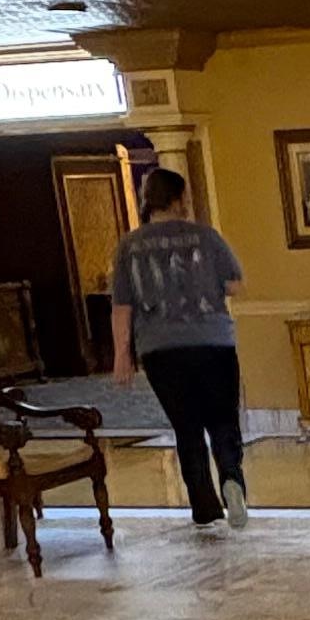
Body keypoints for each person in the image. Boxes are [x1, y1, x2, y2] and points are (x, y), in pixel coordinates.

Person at [109, 168, 250, 524]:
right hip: (213, 341)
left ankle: (204, 507)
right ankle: (232, 479)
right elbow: (234, 284)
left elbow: (122, 305)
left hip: (160, 348)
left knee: (186, 427)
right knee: (222, 420)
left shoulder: (129, 246)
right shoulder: (206, 236)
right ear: (177, 199)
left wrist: (121, 354)